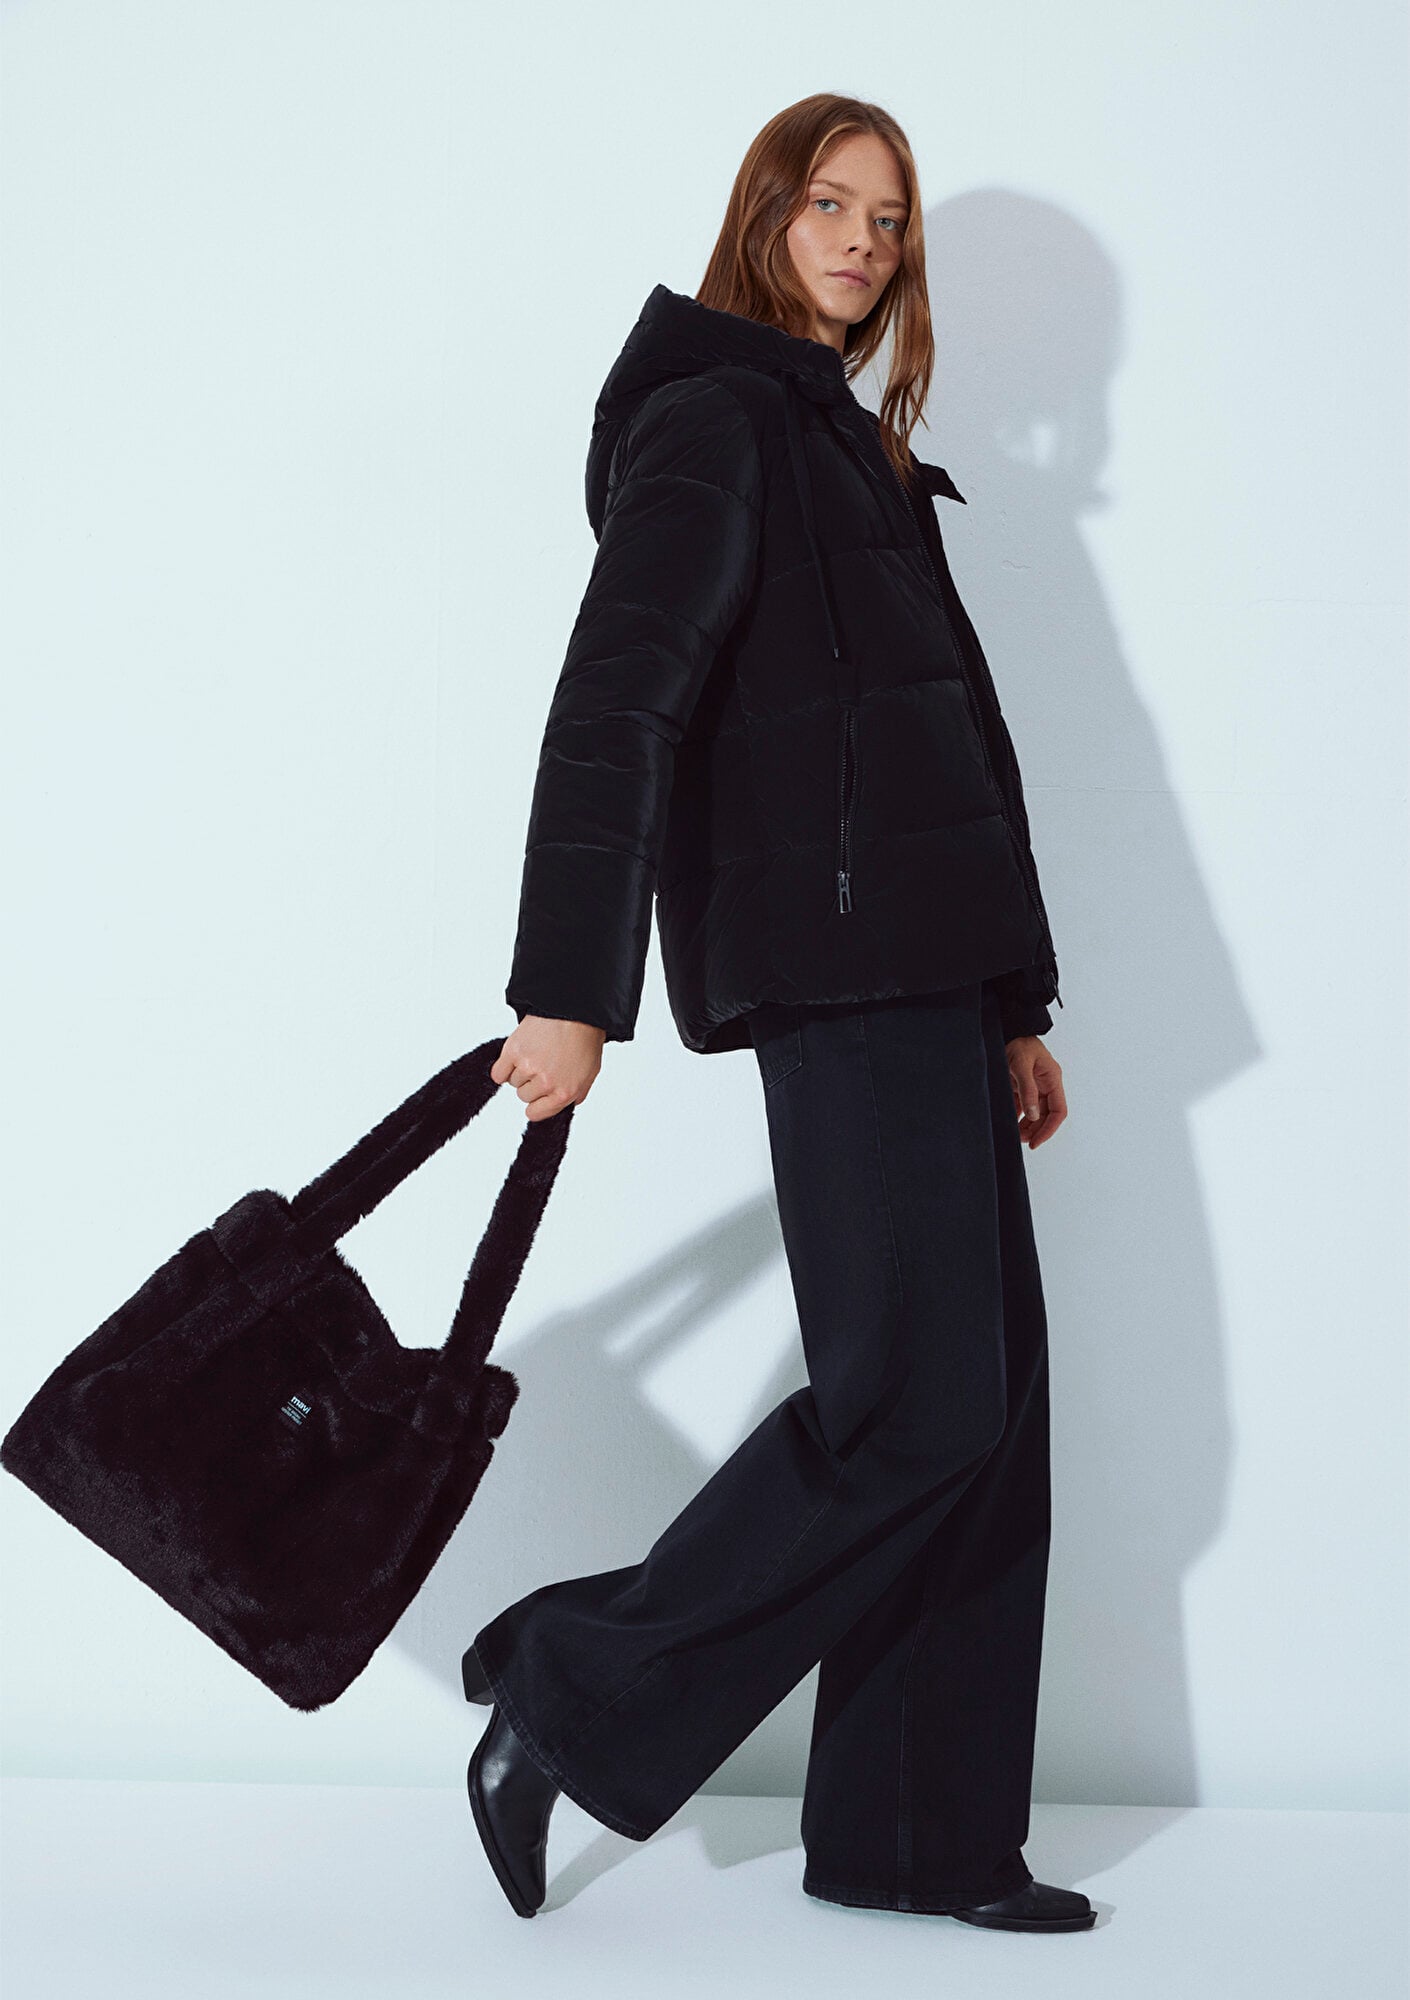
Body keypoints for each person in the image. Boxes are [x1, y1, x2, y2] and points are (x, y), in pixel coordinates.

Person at [462, 92, 1093, 1936]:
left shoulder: (853, 450)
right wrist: (567, 992)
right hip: (836, 979)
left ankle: (916, 1839)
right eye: (830, 204)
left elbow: (952, 754)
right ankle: (571, 1690)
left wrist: (1013, 1001)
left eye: (889, 223)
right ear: (763, 213)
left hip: (932, 983)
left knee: (986, 1421)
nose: (861, 245)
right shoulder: (715, 420)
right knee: (915, 1410)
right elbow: (617, 703)